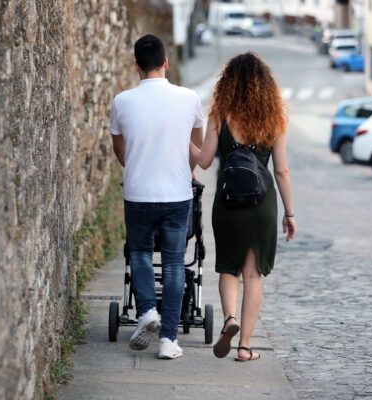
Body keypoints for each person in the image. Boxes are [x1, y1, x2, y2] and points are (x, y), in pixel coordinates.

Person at [189, 52, 296, 362]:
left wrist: (184, 141)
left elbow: (204, 161)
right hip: (262, 206)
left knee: (228, 268)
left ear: (228, 83)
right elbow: (281, 171)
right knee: (253, 274)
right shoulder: (274, 119)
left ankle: (229, 319)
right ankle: (245, 347)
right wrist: (289, 213)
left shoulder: (219, 115)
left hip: (228, 203)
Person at [110, 34, 204, 359]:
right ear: (165, 62)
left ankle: (148, 311)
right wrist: (184, 170)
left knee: (139, 252)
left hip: (138, 192)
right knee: (175, 262)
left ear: (135, 66)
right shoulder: (189, 98)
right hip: (177, 193)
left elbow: (120, 151)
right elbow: (195, 147)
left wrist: (139, 166)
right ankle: (168, 340)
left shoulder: (122, 101)